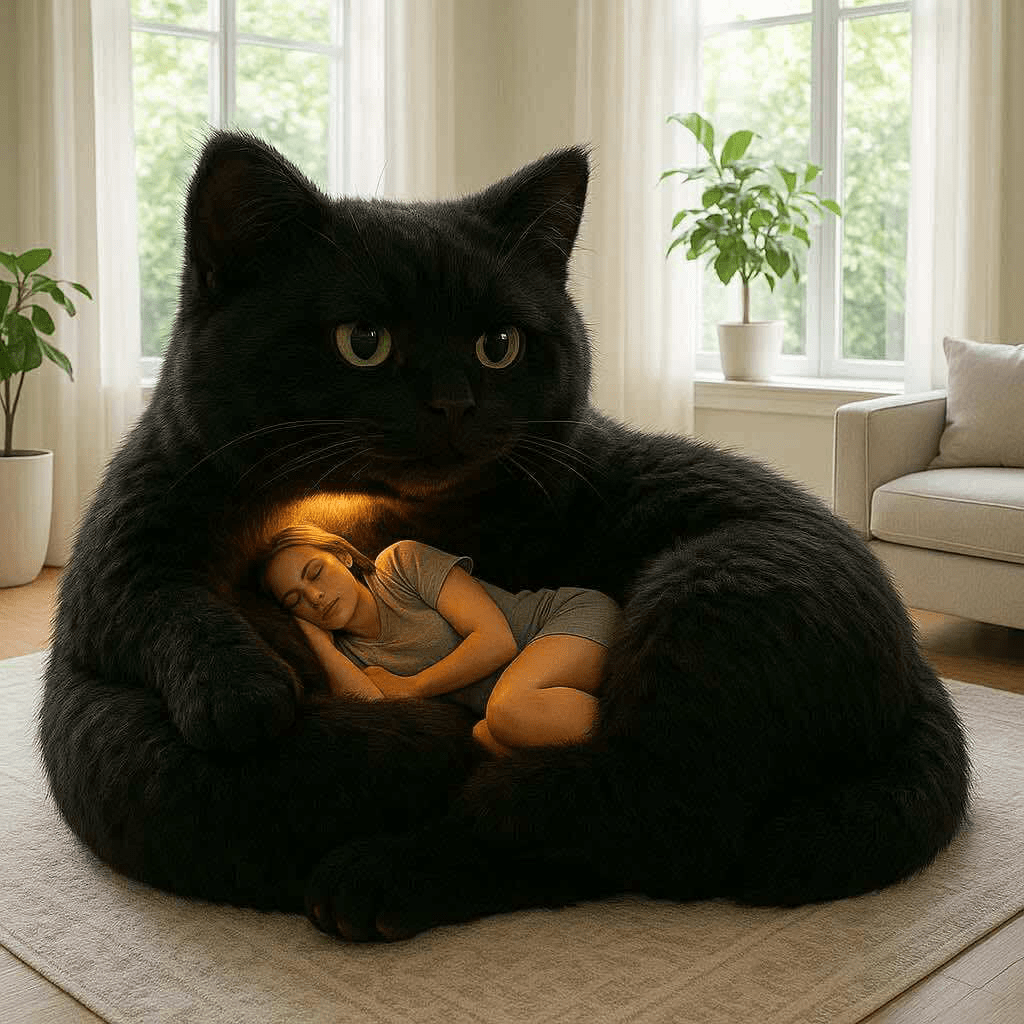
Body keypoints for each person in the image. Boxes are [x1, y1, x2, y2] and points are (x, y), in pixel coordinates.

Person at [257, 523, 621, 758]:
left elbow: (497, 640)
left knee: (507, 711)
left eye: (315, 573)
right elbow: (384, 715)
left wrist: (413, 685)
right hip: (523, 700)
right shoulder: (349, 657)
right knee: (483, 737)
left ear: (343, 556)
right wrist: (314, 638)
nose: (315, 597)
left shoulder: (399, 564)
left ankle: (645, 739)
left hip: (563, 621)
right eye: (296, 599)